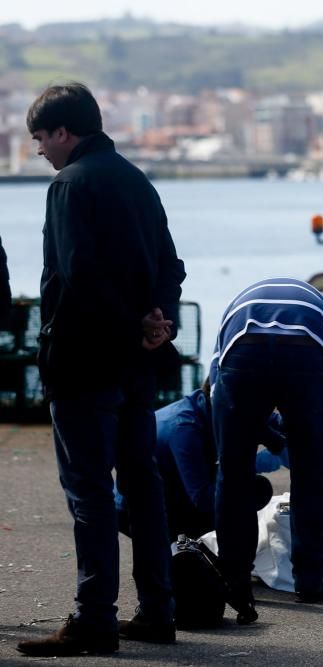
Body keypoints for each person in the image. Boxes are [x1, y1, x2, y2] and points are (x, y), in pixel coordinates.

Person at [17, 83, 186, 657]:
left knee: (89, 492)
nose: (39, 149)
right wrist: (157, 322)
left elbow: (79, 277)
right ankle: (158, 611)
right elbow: (171, 263)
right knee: (144, 489)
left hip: (85, 362)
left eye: (41, 138)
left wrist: (134, 324)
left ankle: (95, 619)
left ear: (64, 133)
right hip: (138, 367)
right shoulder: (137, 180)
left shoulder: (69, 185)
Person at [211, 277, 323, 624]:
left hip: (242, 346)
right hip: (309, 349)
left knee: (233, 477)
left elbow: (218, 392)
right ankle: (309, 582)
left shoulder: (236, 309)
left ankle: (236, 584)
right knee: (311, 473)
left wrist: (247, 449)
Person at [115, 378, 287, 541]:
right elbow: (203, 499)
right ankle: (184, 551)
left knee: (249, 490)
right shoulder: (185, 430)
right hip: (138, 509)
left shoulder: (216, 405)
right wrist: (249, 464)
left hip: (176, 486)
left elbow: (277, 422)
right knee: (254, 490)